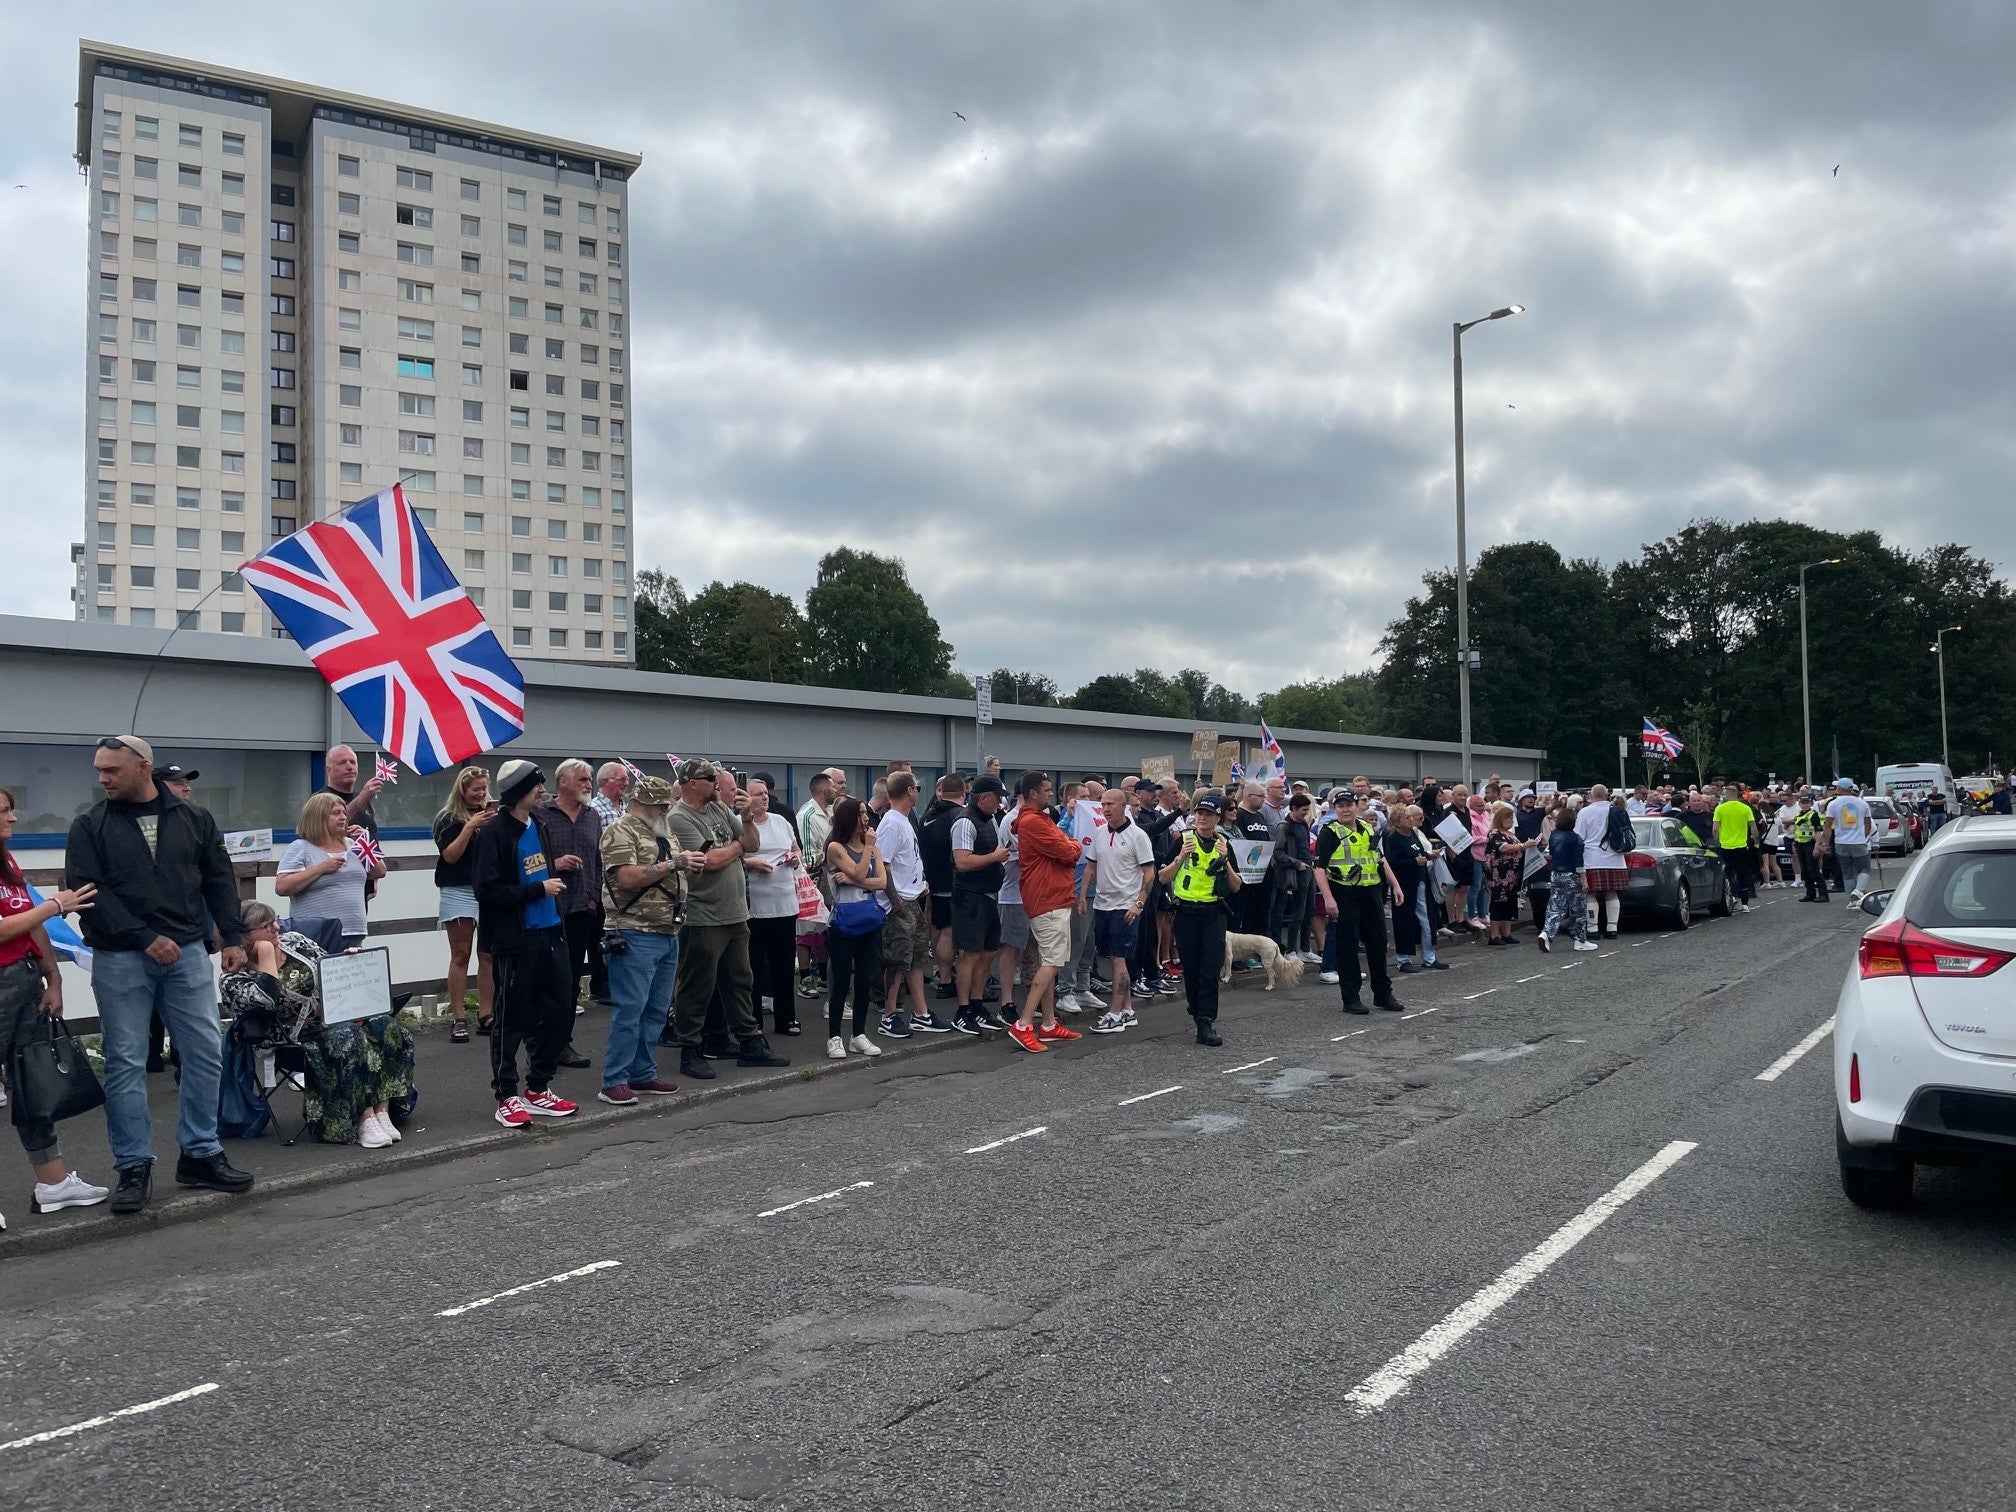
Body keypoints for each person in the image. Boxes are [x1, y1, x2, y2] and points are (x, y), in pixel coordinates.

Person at [66, 735, 251, 1214]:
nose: (102, 778)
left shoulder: (194, 818)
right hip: (121, 956)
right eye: (99, 770)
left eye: (112, 770)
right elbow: (89, 891)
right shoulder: (89, 824)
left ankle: (200, 1153)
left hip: (188, 951)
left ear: (143, 767)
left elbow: (217, 878)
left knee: (206, 1051)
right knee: (126, 1061)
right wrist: (144, 937)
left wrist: (231, 938)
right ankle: (133, 1166)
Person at [0, 785, 107, 1218]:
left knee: (30, 1084)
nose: (12, 819)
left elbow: (28, 924)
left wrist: (54, 977)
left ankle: (54, 1183)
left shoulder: (6, 859)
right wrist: (55, 906)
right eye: (3, 812)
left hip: (21, 982)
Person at [233, 902, 417, 1147]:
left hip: (330, 1018)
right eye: (266, 926)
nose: (276, 927)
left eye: (274, 920)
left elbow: (329, 966)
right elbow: (268, 1000)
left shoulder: (295, 941)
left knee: (387, 1026)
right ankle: (363, 1118)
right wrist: (266, 954)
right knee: (347, 1035)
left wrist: (349, 961)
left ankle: (382, 1111)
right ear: (245, 936)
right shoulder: (235, 975)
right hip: (291, 1040)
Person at [664, 759, 790, 1080]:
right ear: (692, 782)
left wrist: (746, 817)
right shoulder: (679, 816)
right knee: (697, 986)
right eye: (710, 779)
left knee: (740, 980)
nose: (717, 785)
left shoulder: (719, 808)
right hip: (703, 914)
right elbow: (711, 862)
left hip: (734, 912)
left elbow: (752, 844)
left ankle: (750, 1043)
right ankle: (691, 1049)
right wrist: (736, 847)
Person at [472, 760, 580, 1128]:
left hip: (552, 933)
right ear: (519, 790)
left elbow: (539, 870)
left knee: (559, 1011)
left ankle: (539, 1087)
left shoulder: (540, 824)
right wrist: (539, 889)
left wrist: (551, 881)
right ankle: (506, 1094)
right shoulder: (494, 832)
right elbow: (485, 891)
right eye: (537, 785)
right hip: (516, 941)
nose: (543, 790)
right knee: (511, 1018)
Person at [595, 774, 686, 1106]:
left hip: (666, 930)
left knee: (656, 1010)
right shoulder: (620, 830)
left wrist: (689, 865)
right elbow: (628, 877)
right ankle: (614, 1080)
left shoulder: (661, 831)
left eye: (666, 805)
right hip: (634, 930)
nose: (665, 811)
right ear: (643, 803)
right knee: (630, 1009)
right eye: (661, 806)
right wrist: (675, 863)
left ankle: (642, 1073)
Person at [1004, 772, 1082, 1054]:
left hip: (1051, 897)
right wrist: (1073, 845)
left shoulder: (1038, 819)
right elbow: (1069, 851)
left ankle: (1048, 1023)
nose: (1050, 794)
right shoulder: (1034, 822)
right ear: (1033, 793)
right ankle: (1024, 1023)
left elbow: (1066, 845)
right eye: (1047, 790)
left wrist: (1070, 844)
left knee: (1051, 960)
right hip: (1048, 898)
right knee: (1053, 962)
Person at [1158, 793, 1242, 1046]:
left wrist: (1225, 861)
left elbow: (1236, 886)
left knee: (1210, 970)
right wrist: (1180, 857)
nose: (1202, 818)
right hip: (1186, 913)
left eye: (1208, 815)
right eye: (1199, 814)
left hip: (1213, 913)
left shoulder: (1223, 843)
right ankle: (1196, 1008)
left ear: (1217, 818)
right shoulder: (1183, 840)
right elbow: (1163, 877)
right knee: (1192, 970)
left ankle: (1205, 1022)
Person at [1315, 792, 1406, 1014]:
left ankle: (1383, 994)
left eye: (1349, 805)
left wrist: (1395, 884)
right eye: (1340, 806)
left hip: (1371, 891)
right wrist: (1328, 898)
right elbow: (1318, 869)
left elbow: (1380, 858)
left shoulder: (1367, 828)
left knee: (1377, 943)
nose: (1345, 810)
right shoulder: (1329, 833)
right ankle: (1351, 998)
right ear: (1334, 809)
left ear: (1357, 807)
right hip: (1343, 892)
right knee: (1347, 947)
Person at [1082, 785, 1156, 1037]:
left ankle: (1114, 1014)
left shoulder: (1138, 836)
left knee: (1118, 959)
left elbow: (1149, 872)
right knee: (1110, 957)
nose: (1105, 809)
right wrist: (1081, 896)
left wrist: (1139, 903)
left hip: (1125, 907)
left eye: (1110, 804)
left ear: (1123, 806)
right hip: (1102, 904)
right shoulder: (1100, 832)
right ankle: (1128, 1010)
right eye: (1102, 805)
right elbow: (1091, 866)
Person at [877, 772, 946, 1037]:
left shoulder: (903, 821)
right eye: (916, 787)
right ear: (909, 791)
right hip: (900, 904)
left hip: (911, 899)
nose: (918, 791)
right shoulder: (892, 823)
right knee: (897, 961)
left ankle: (921, 1013)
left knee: (916, 959)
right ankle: (889, 1015)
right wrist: (895, 901)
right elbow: (882, 864)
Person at [540, 759, 607, 1025]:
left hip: (583, 908)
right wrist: (554, 864)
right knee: (549, 978)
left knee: (573, 977)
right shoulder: (542, 814)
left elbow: (598, 860)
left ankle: (564, 1040)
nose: (589, 785)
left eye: (589, 780)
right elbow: (528, 860)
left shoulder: (592, 816)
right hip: (549, 907)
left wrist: (594, 897)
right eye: (582, 780)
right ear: (563, 782)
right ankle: (544, 1044)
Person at [432, 766, 496, 1044]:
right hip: (458, 888)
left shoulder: (492, 816)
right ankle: (458, 1016)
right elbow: (450, 855)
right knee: (461, 953)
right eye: (475, 790)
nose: (480, 794)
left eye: (484, 789)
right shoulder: (447, 819)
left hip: (487, 888)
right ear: (462, 791)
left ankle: (486, 1012)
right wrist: (470, 826)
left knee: (488, 954)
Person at [276, 793, 386, 950]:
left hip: (353, 932)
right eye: (335, 813)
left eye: (344, 813)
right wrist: (321, 868)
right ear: (317, 817)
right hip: (316, 934)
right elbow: (282, 886)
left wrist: (365, 842)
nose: (343, 817)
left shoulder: (352, 844)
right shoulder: (300, 847)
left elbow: (379, 872)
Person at [823, 797, 888, 1059]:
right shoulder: (836, 848)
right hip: (843, 923)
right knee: (841, 982)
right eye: (860, 814)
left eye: (866, 813)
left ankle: (858, 1034)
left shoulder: (873, 847)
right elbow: (864, 874)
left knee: (864, 980)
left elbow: (882, 881)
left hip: (869, 921)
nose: (865, 818)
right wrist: (861, 870)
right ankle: (834, 1036)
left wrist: (852, 879)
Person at [741, 777, 803, 1038]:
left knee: (784, 964)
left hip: (785, 902)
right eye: (757, 794)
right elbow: (736, 857)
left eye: (765, 794)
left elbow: (796, 849)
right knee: (754, 965)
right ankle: (754, 1020)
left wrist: (795, 857)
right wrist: (751, 863)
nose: (764, 798)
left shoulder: (781, 821)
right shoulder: (740, 824)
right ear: (746, 799)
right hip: (755, 905)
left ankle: (786, 1017)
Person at [950, 775, 1011, 1035]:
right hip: (969, 897)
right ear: (983, 798)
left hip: (988, 895)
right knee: (970, 954)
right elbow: (962, 862)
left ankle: (976, 1005)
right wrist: (994, 857)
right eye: (997, 799)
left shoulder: (990, 820)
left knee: (988, 954)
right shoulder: (965, 821)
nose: (1000, 803)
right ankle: (962, 1010)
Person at [917, 773, 968, 1006]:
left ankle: (942, 974)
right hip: (953, 880)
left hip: (933, 879)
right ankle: (947, 980)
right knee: (949, 930)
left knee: (938, 927)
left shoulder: (928, 815)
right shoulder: (958, 815)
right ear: (964, 792)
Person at [1382, 804, 1442, 972]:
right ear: (1397, 823)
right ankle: (1403, 959)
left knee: (1427, 920)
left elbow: (1419, 853)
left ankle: (1429, 958)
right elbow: (1392, 863)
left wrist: (1429, 856)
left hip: (1421, 882)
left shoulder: (1413, 835)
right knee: (1404, 921)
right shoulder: (1394, 839)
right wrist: (1413, 862)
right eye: (1406, 818)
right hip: (1405, 885)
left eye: (1410, 817)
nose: (1411, 820)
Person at [1574, 783, 1630, 940]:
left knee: (1590, 894)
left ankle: (1592, 929)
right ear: (1607, 795)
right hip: (1616, 858)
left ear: (1591, 796)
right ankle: (1612, 928)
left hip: (1592, 858)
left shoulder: (1585, 812)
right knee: (1612, 893)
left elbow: (1579, 837)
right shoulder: (1617, 810)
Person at [1538, 805, 1598, 952]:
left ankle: (1547, 933)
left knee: (1555, 906)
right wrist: (1584, 880)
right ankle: (1580, 940)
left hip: (1556, 874)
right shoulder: (1576, 839)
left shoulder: (1554, 835)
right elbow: (1579, 862)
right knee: (1578, 908)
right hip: (1572, 875)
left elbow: (1552, 853)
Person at [1270, 793, 1315, 959]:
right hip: (1296, 872)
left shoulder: (1303, 823)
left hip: (1307, 868)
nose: (1305, 813)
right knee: (1298, 911)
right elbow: (1278, 852)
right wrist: (1296, 863)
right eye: (1303, 810)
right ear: (1294, 808)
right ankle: (1291, 950)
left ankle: (1304, 948)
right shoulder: (1284, 826)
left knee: (1309, 909)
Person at [1483, 802, 1534, 945]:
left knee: (1509, 904)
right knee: (1498, 904)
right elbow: (1504, 848)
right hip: (1499, 875)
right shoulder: (1495, 833)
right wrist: (1523, 845)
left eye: (1512, 819)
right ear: (1501, 819)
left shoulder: (1510, 834)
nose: (1511, 822)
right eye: (1509, 819)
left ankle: (1507, 933)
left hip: (1513, 875)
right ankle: (1494, 935)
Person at [318, 744, 383, 840]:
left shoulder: (363, 798)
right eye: (342, 763)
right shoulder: (320, 799)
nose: (349, 767)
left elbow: (373, 836)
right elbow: (320, 830)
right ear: (329, 770)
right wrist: (359, 801)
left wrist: (365, 836)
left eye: (353, 762)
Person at [1711, 783, 1759, 913]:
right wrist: (1756, 841)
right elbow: (1753, 827)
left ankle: (1730, 898)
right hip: (1741, 846)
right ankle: (1745, 904)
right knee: (1742, 874)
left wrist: (1716, 842)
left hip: (1725, 846)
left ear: (1727, 794)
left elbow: (1715, 828)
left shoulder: (1720, 808)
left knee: (1728, 873)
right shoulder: (1745, 808)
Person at [1826, 780, 1874, 906]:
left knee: (1847, 871)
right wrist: (1865, 837)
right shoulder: (1862, 803)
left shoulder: (1833, 804)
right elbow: (1868, 822)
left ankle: (1852, 898)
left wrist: (1825, 843)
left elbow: (1827, 825)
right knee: (1864, 868)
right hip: (1858, 841)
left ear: (1840, 789)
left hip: (1840, 842)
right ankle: (1858, 891)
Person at [1789, 793, 1830, 902]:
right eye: (1803, 803)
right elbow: (1797, 831)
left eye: (1807, 803)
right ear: (1800, 804)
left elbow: (1818, 832)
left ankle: (1823, 894)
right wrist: (1795, 843)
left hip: (1810, 844)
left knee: (1814, 870)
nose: (1805, 805)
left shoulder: (1813, 815)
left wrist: (1817, 847)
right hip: (1800, 844)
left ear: (1811, 803)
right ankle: (1810, 893)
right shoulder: (1798, 815)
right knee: (1805, 871)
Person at [591, 761, 629, 828]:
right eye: (622, 779)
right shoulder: (593, 809)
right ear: (606, 781)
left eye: (627, 779)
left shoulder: (627, 808)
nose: (626, 783)